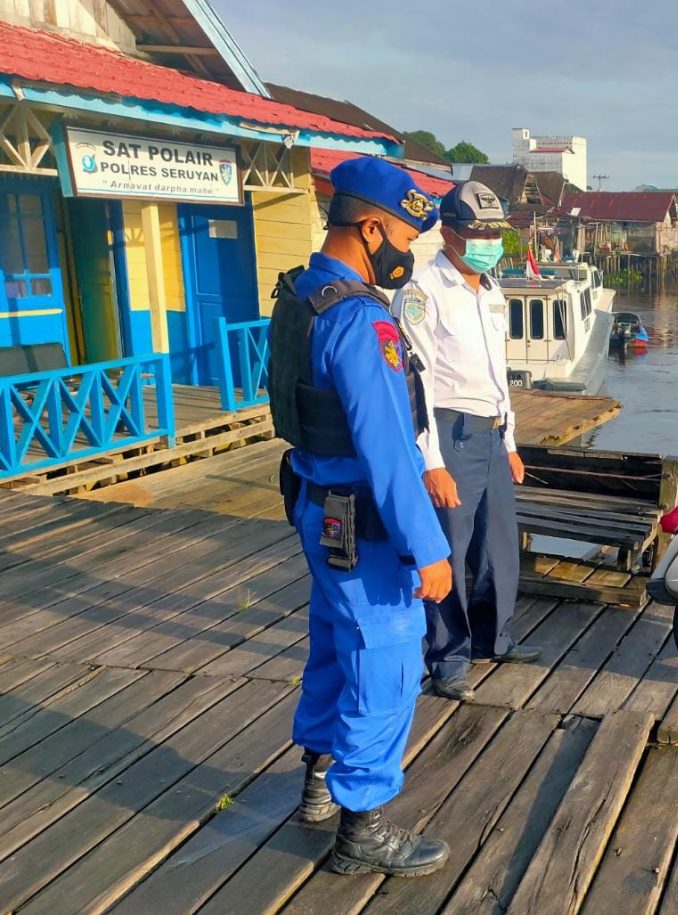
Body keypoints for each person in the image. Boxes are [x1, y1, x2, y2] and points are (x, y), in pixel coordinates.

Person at [268, 157, 453, 878]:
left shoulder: (302, 294)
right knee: (385, 660)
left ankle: (317, 781)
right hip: (366, 523)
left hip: (316, 506)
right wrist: (428, 548)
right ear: (370, 227)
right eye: (406, 234)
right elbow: (389, 450)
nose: (408, 252)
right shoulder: (361, 318)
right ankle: (363, 826)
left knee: (330, 643)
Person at [394, 181, 541, 703]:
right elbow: (418, 383)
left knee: (499, 544)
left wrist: (511, 439)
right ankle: (448, 656)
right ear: (449, 232)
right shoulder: (420, 292)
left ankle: (492, 639)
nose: (488, 240)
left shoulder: (491, 288)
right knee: (448, 551)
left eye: (495, 232)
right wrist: (429, 460)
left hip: (490, 431)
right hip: (448, 433)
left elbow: (498, 372)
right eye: (478, 231)